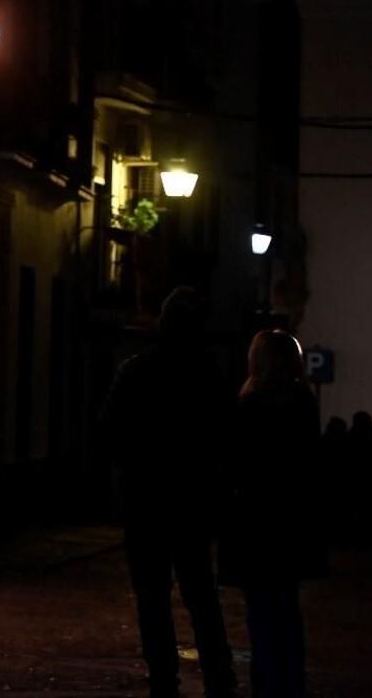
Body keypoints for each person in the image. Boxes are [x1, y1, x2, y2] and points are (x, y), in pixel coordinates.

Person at [100, 287, 238, 698]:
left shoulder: (136, 370)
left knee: (152, 597)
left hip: (145, 500)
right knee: (200, 594)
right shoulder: (207, 373)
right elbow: (223, 436)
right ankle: (219, 674)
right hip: (190, 501)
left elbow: (110, 428)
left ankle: (164, 676)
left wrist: (134, 467)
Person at [220, 329, 323, 698]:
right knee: (286, 610)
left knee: (261, 614)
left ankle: (267, 686)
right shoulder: (303, 403)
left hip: (255, 523)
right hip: (291, 523)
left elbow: (233, 464)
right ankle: (291, 684)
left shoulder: (249, 405)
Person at [346, 411, 372, 540]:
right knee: (370, 508)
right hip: (370, 479)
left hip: (360, 479)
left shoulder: (353, 435)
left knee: (362, 508)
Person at [318, 416, 350, 540]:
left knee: (330, 508)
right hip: (341, 481)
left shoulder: (325, 440)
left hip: (329, 480)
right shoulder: (347, 441)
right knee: (339, 508)